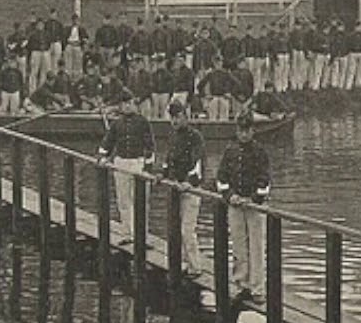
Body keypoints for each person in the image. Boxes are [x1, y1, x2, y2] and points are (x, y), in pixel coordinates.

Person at [215, 113, 272, 303]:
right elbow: (221, 178)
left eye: (247, 130)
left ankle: (257, 288)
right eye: (241, 130)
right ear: (237, 131)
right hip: (235, 204)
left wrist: (254, 198)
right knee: (238, 246)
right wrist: (230, 195)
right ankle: (241, 284)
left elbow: (265, 180)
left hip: (254, 206)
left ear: (253, 131)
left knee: (256, 247)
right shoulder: (230, 151)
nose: (244, 134)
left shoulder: (260, 152)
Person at [97, 93, 155, 245]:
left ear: (134, 104)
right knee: (123, 200)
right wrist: (102, 156)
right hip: (121, 162)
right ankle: (127, 233)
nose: (127, 106)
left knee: (141, 201)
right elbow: (108, 142)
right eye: (124, 104)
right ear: (121, 106)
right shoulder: (117, 123)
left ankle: (142, 236)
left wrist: (148, 167)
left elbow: (150, 145)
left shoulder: (143, 122)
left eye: (130, 103)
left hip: (137, 163)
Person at [161, 101, 205, 277]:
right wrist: (163, 175)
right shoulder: (172, 136)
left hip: (190, 189)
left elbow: (197, 162)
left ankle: (196, 266)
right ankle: (182, 263)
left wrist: (189, 182)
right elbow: (168, 159)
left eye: (178, 117)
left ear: (185, 117)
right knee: (175, 229)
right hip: (174, 187)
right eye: (172, 117)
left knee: (187, 229)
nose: (175, 121)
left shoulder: (195, 137)